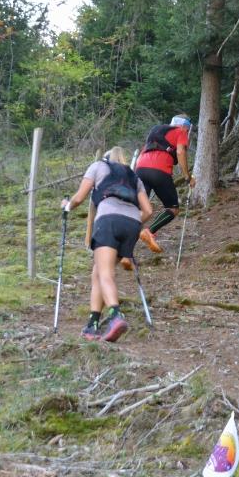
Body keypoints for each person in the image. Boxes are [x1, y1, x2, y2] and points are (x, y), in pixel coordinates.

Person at [62, 147, 153, 342]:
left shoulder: (98, 166)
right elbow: (148, 211)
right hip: (131, 223)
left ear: (106, 157)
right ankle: (92, 324)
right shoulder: (134, 177)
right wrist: (132, 221)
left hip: (108, 220)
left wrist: (66, 206)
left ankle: (115, 316)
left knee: (105, 273)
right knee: (98, 272)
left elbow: (79, 197)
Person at [135, 114, 195, 253]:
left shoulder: (156, 130)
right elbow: (180, 151)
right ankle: (149, 232)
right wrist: (187, 177)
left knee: (141, 210)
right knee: (173, 208)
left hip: (140, 169)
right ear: (184, 126)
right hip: (159, 170)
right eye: (188, 128)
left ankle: (122, 240)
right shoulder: (180, 132)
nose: (187, 131)